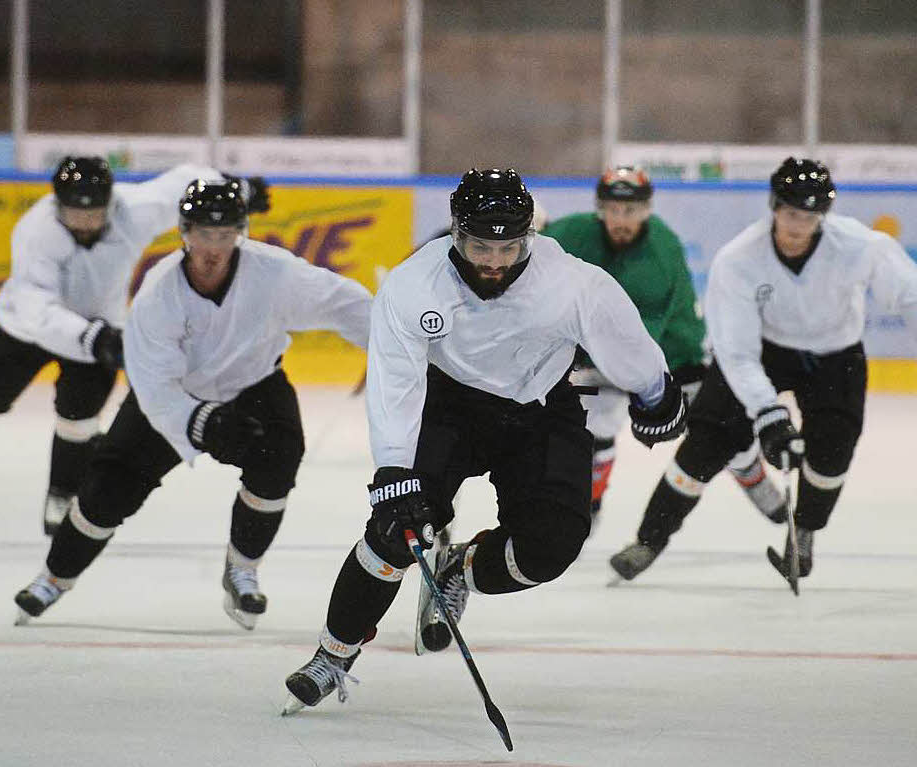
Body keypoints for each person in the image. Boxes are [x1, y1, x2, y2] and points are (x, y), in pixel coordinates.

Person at [282, 168, 687, 711]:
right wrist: (395, 469)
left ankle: (460, 569)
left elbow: (622, 337)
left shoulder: (570, 282)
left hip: (542, 411)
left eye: (508, 246)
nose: (493, 261)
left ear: (529, 237)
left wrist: (656, 395)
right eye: (479, 245)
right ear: (455, 233)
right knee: (394, 531)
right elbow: (394, 380)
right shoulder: (412, 284)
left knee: (553, 545)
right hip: (447, 407)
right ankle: (333, 654)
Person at [12, 178, 372, 629]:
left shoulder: (275, 273)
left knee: (279, 461)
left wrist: (399, 352)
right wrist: (200, 422)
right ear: (184, 233)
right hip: (172, 396)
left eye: (225, 235)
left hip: (255, 387)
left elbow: (347, 305)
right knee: (109, 487)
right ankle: (54, 577)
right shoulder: (158, 294)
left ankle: (242, 569)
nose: (214, 248)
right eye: (203, 233)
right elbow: (153, 385)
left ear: (241, 232)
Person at [0, 157, 267, 535]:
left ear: (111, 204)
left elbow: (183, 183)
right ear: (57, 205)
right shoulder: (36, 232)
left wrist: (238, 190)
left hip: (101, 330)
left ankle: (62, 494)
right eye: (75, 213)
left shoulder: (132, 211)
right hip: (26, 332)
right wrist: (95, 339)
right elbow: (38, 309)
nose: (86, 222)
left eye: (95, 213)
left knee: (80, 419)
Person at [609, 157, 917, 583]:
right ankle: (650, 539)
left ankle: (804, 533)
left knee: (833, 449)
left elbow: (908, 293)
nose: (798, 226)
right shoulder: (739, 260)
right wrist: (769, 416)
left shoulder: (861, 246)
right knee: (708, 439)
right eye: (791, 214)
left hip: (836, 356)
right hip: (764, 352)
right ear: (774, 206)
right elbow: (736, 352)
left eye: (810, 217)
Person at [541, 166, 785, 530]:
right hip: (597, 349)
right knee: (593, 422)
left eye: (631, 211)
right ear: (599, 209)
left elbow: (637, 342)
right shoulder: (572, 233)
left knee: (713, 427)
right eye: (613, 210)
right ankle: (587, 502)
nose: (621, 220)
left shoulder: (660, 253)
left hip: (672, 351)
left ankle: (750, 473)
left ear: (647, 211)